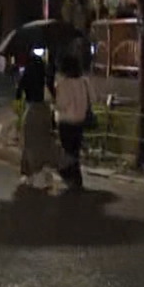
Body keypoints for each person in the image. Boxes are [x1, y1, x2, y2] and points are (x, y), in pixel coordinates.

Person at [52, 53, 94, 190]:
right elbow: (93, 98)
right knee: (75, 150)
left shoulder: (63, 84)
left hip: (66, 121)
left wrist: (54, 104)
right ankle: (76, 178)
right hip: (80, 120)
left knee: (67, 150)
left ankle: (69, 176)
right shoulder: (84, 82)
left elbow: (61, 104)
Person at [16, 53, 58, 187]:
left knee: (29, 143)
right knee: (45, 142)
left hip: (31, 111)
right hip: (45, 112)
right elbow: (54, 96)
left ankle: (28, 174)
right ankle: (46, 175)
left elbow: (18, 94)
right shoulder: (46, 78)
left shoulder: (26, 77)